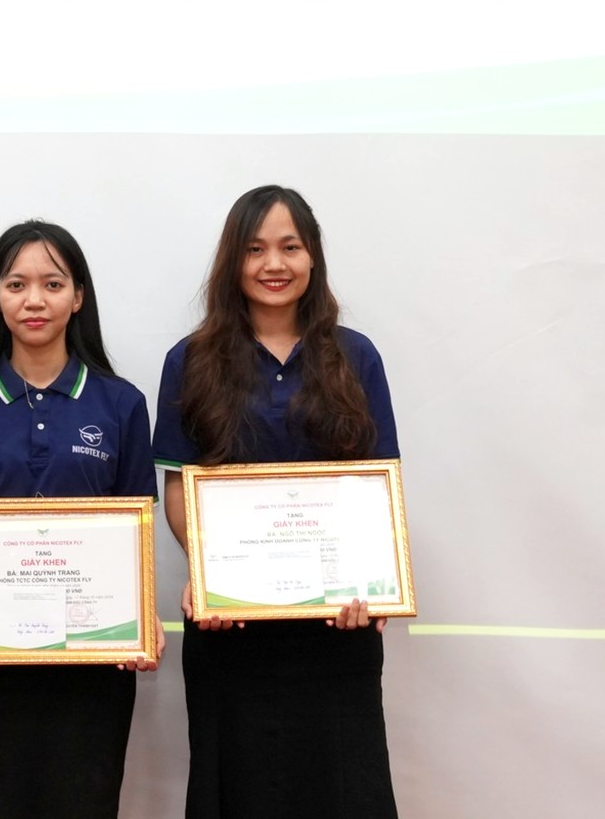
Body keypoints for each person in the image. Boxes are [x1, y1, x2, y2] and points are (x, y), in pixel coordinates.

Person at [154, 185, 400, 819]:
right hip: (231, 632)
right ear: (232, 260)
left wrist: (374, 581)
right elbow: (179, 487)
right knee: (237, 789)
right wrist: (207, 572)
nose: (274, 264)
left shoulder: (356, 357)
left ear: (312, 256)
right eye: (255, 249)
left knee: (343, 790)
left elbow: (378, 483)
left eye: (290, 247)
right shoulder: (190, 360)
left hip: (337, 629)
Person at [0, 220, 158, 819]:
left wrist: (142, 616)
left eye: (52, 284)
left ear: (78, 297)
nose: (34, 300)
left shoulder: (122, 404)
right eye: (16, 284)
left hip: (96, 657)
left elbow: (137, 531)